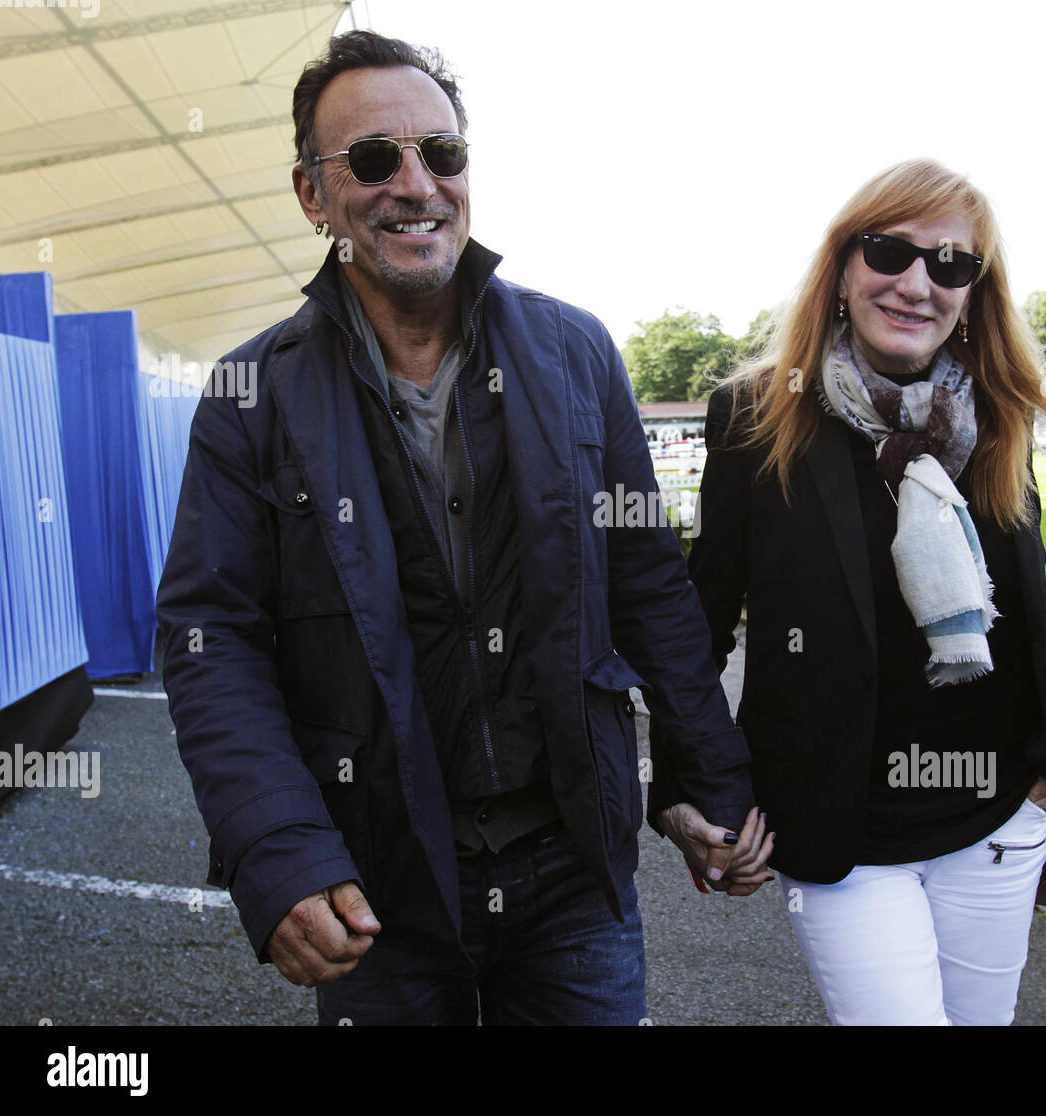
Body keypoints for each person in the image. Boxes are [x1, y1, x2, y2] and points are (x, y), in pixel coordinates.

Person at [156, 30, 770, 1027]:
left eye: (442, 154)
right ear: (314, 195)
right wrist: (278, 852)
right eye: (372, 159)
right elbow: (211, 638)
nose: (416, 183)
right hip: (375, 883)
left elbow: (650, 586)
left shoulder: (575, 352)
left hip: (574, 875)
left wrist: (706, 779)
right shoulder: (249, 396)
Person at [648, 158, 1046, 1025]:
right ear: (845, 265)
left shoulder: (996, 414)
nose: (916, 282)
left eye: (950, 264)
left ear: (974, 291)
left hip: (998, 818)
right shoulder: (756, 413)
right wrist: (679, 785)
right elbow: (701, 612)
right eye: (890, 251)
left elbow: (1032, 590)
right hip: (842, 831)